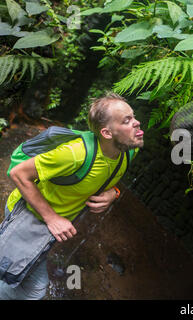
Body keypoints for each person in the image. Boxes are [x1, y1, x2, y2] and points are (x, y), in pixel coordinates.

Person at [0, 92, 144, 299]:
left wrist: (115, 193)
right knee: (31, 288)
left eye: (133, 116)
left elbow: (108, 177)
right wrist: (53, 218)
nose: (137, 123)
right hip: (29, 215)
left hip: (51, 225)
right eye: (127, 120)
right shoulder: (74, 154)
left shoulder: (128, 149)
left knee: (20, 276)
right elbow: (18, 173)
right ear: (107, 133)